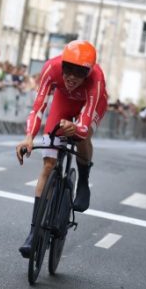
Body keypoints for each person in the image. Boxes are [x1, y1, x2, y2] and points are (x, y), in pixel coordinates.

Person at [15, 40, 107, 258]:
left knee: (81, 139)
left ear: (89, 72)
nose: (72, 77)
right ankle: (33, 232)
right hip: (63, 101)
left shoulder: (97, 79)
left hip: (90, 104)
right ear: (62, 64)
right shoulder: (51, 67)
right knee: (48, 165)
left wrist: (75, 128)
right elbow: (38, 107)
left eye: (79, 72)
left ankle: (83, 180)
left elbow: (84, 125)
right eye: (68, 69)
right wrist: (29, 137)